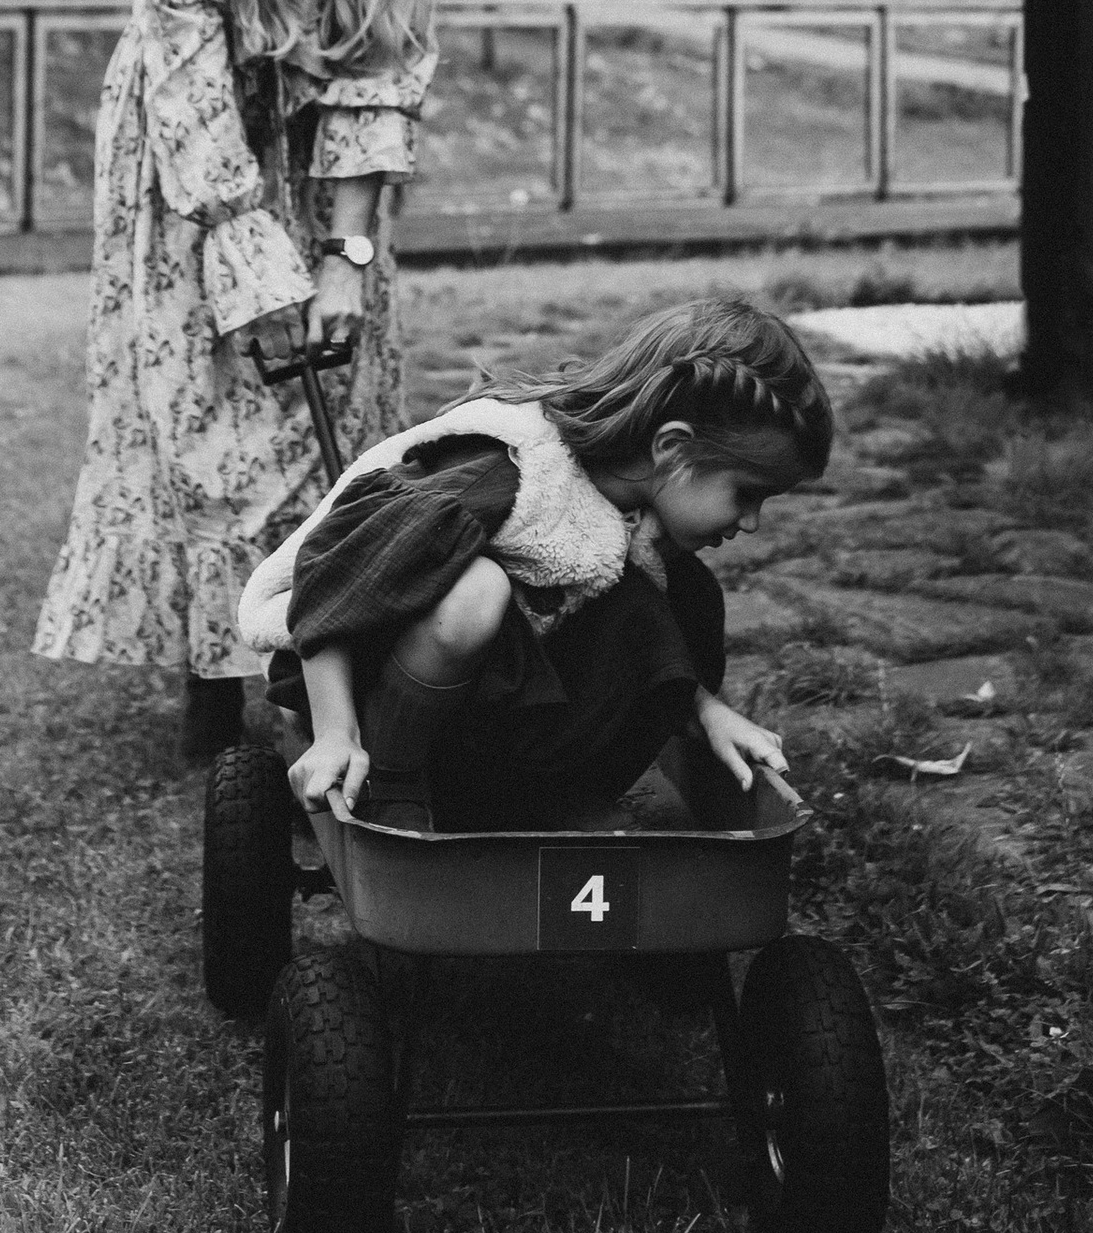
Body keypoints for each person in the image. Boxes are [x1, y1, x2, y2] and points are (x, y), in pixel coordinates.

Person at [33, 0, 440, 762]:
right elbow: (187, 79)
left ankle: (331, 671)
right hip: (188, 156)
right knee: (208, 410)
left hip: (320, 153)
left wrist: (345, 252)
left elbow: (378, 66)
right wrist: (245, 246)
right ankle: (215, 683)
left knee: (335, 386)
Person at [235, 292, 829, 833]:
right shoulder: (507, 475)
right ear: (672, 448)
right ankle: (393, 785)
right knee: (476, 590)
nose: (750, 522)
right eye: (746, 493)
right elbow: (340, 580)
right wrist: (336, 733)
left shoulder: (636, 519)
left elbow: (647, 638)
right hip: (348, 673)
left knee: (660, 605)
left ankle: (533, 795)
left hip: (477, 711)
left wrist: (704, 710)